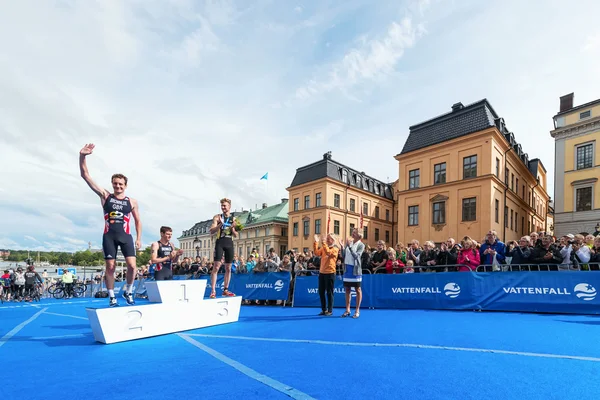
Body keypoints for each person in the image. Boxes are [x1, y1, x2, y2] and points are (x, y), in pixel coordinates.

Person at [79, 143, 142, 307]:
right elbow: (86, 176)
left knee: (132, 266)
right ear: (112, 184)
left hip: (126, 236)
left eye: (121, 184)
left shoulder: (132, 201)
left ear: (125, 185)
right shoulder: (105, 195)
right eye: (115, 183)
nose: (118, 186)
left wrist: (139, 238)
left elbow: (138, 220)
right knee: (111, 267)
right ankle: (112, 296)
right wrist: (82, 156)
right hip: (109, 236)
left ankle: (128, 291)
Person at [208, 198, 239, 298]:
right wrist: (220, 224)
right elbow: (211, 230)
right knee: (216, 266)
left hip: (229, 242)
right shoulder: (217, 217)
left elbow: (236, 235)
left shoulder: (234, 219)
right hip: (220, 242)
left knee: (228, 268)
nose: (223, 207)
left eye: (224, 206)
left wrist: (232, 228)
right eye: (222, 206)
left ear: (229, 206)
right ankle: (213, 291)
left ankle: (225, 289)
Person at [338, 228, 365, 319]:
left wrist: (349, 247)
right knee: (347, 290)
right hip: (347, 269)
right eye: (352, 232)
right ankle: (347, 309)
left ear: (359, 235)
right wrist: (342, 247)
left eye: (355, 233)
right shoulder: (349, 243)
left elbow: (356, 256)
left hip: (355, 269)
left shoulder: (361, 245)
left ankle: (357, 310)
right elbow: (344, 256)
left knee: (357, 289)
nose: (352, 234)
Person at [313, 233, 339, 316]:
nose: (327, 240)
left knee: (329, 292)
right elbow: (316, 253)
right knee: (321, 292)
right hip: (322, 272)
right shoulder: (324, 247)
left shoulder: (335, 248)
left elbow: (328, 253)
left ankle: (330, 310)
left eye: (329, 238)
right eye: (327, 238)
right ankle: (324, 309)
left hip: (330, 272)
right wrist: (316, 242)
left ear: (333, 240)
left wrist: (323, 242)